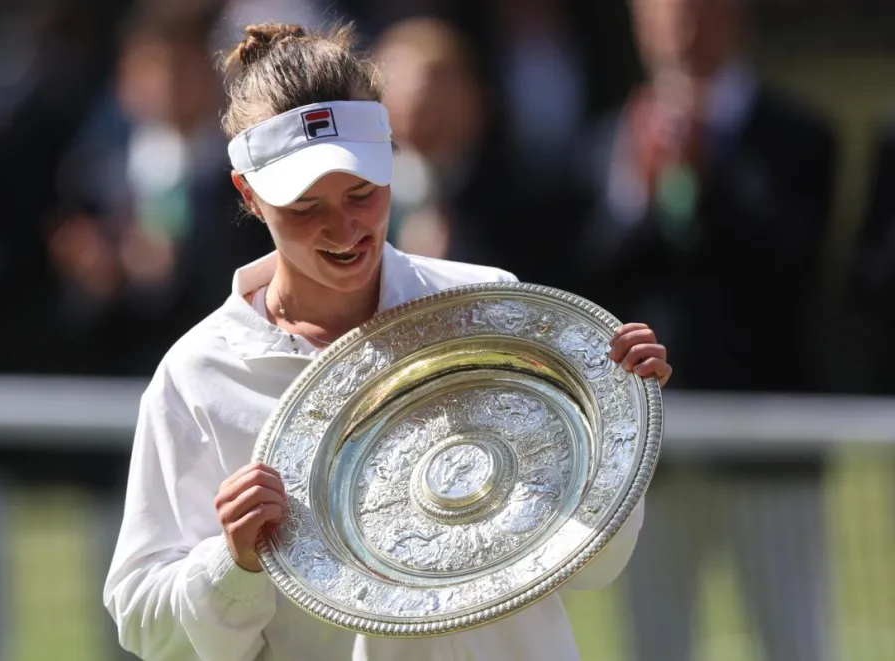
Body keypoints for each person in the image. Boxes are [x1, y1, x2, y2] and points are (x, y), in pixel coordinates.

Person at [103, 21, 672, 661]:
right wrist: (231, 562)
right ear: (250, 196)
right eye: (304, 206)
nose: (343, 227)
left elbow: (592, 564)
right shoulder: (198, 374)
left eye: (361, 193)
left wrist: (613, 420)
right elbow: (145, 624)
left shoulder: (491, 310)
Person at [566, 1, 836, 660]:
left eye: (701, 10)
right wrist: (642, 191)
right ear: (639, 23)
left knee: (795, 639)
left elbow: (788, 268)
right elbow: (587, 278)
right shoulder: (609, 140)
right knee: (656, 642)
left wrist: (707, 175)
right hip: (652, 448)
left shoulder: (800, 136)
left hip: (769, 445)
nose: (684, 28)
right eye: (666, 11)